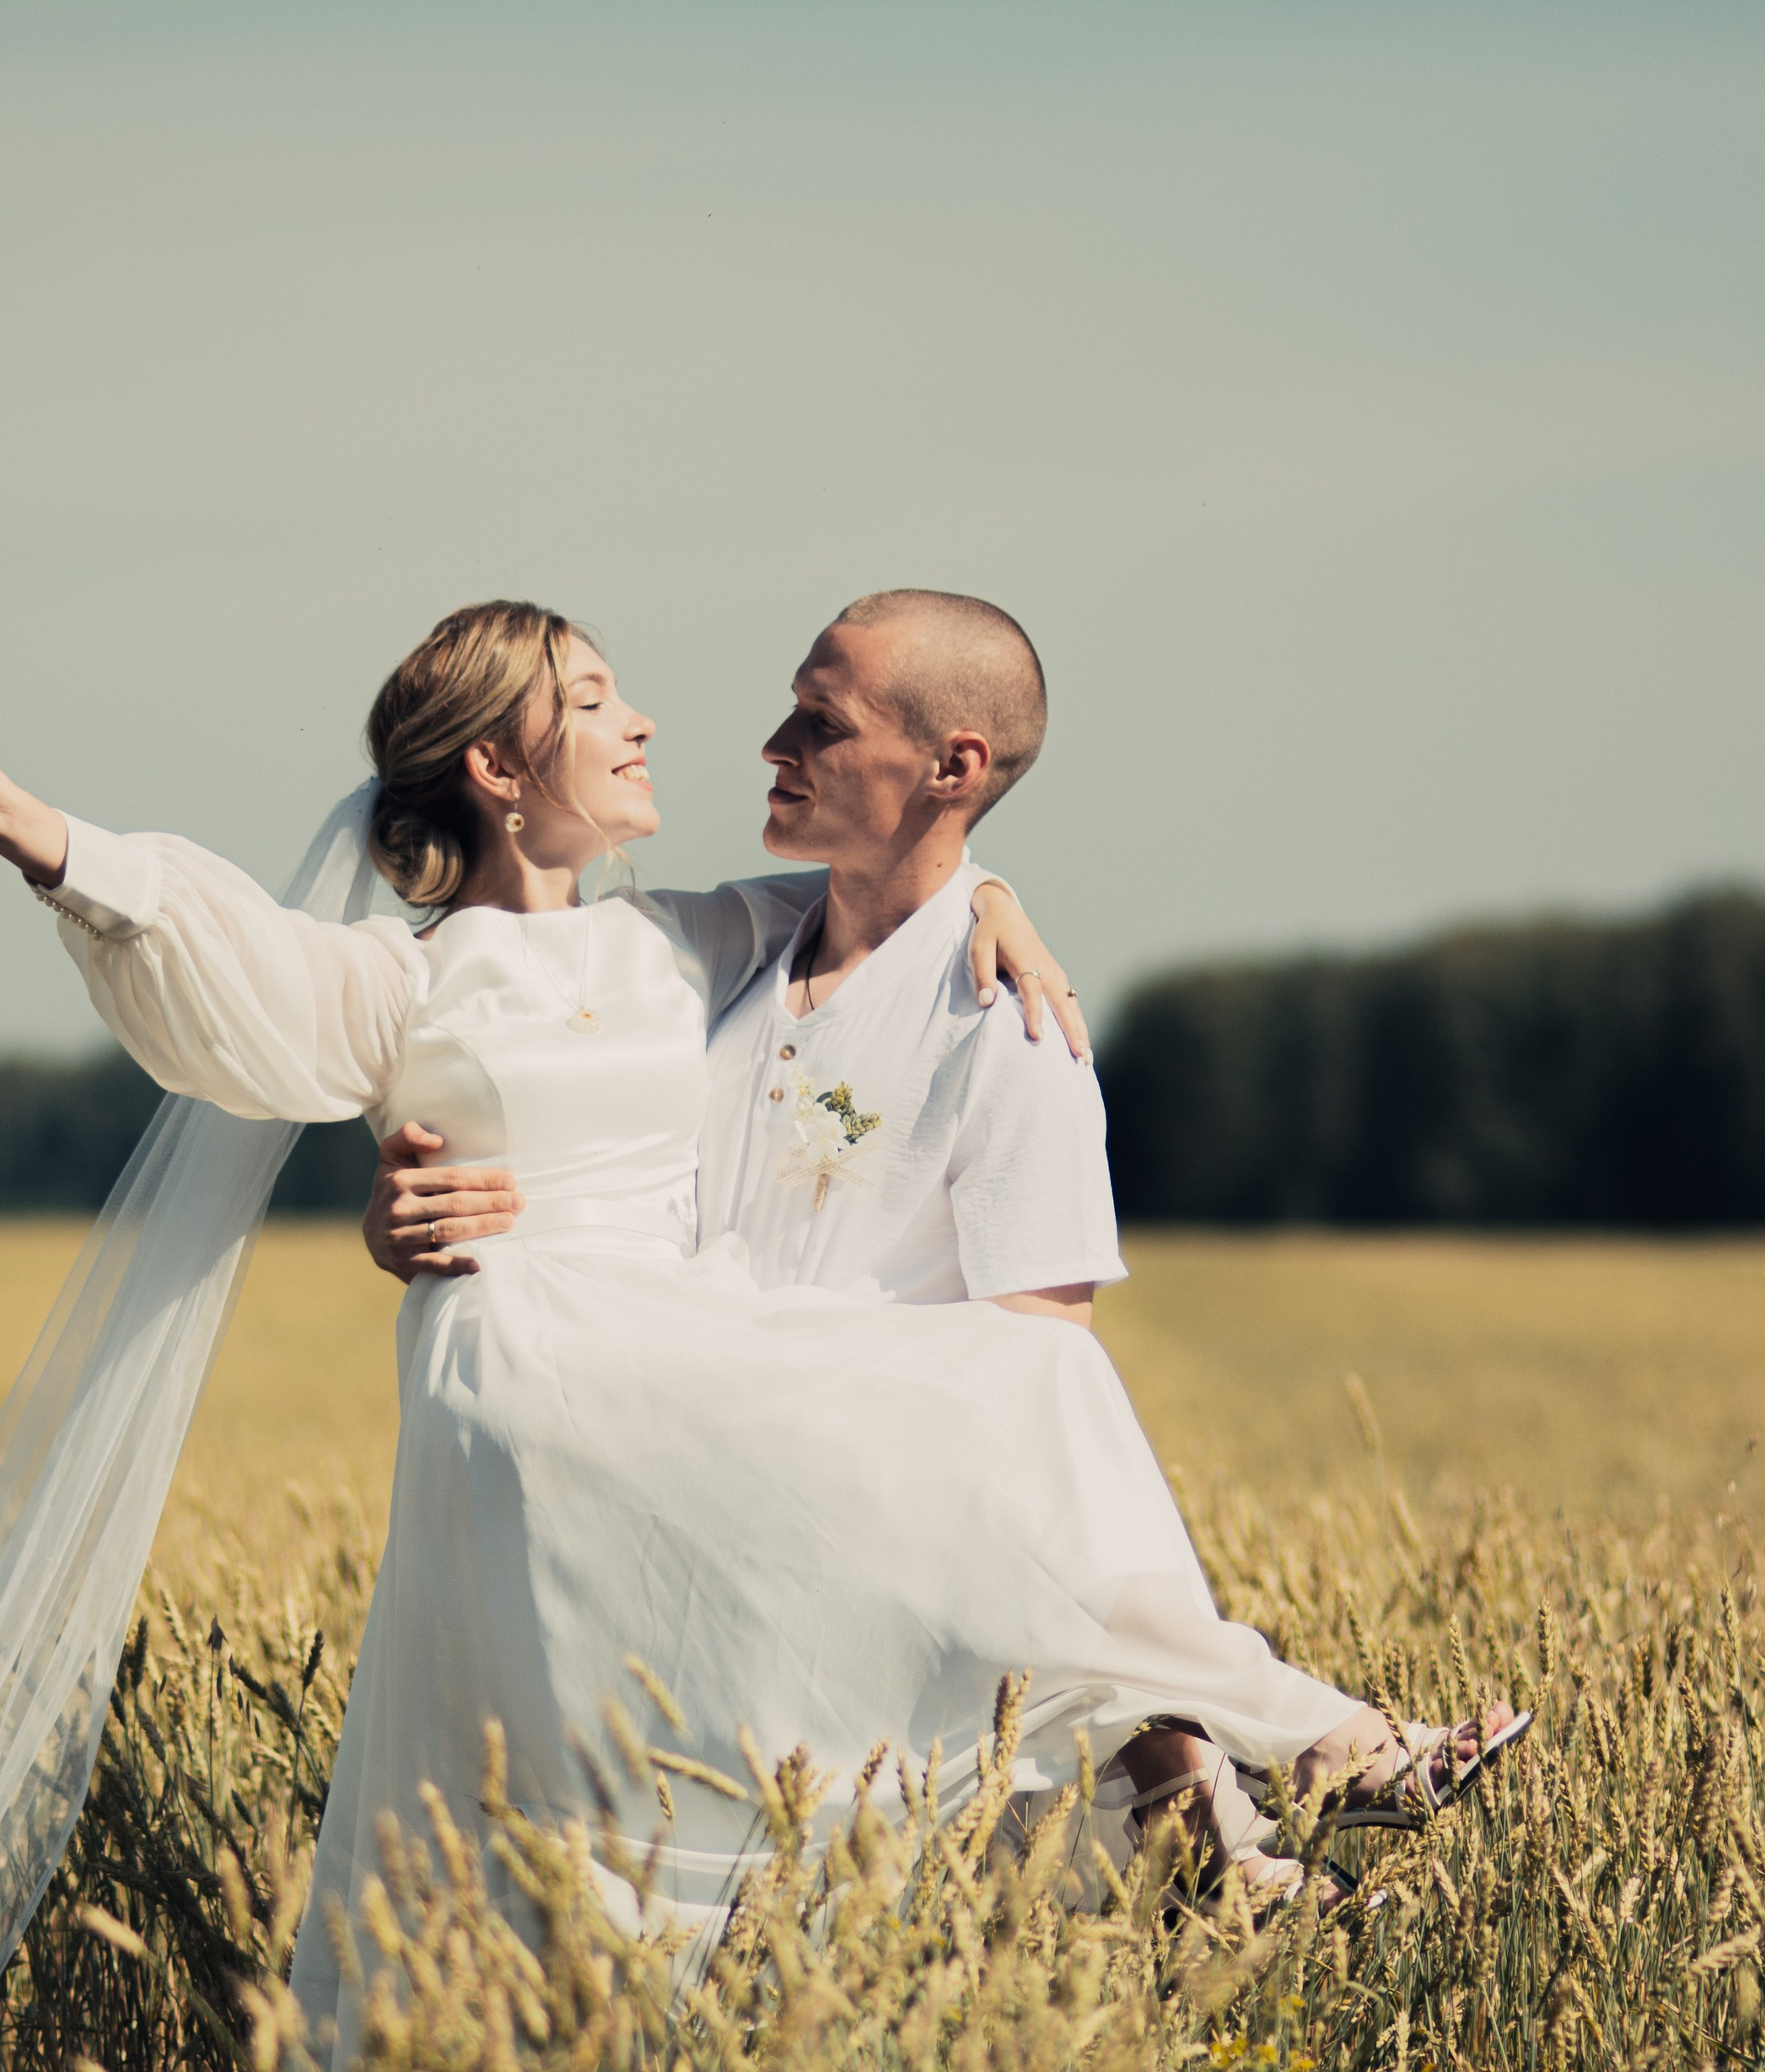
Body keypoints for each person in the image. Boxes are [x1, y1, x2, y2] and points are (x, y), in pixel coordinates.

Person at [0, 598, 1520, 2072]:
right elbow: (234, 957)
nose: (655, 720)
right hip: (532, 1361)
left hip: (680, 1346)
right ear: (497, 771)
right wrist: (37, 833)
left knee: (1015, 1398)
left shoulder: (688, 939)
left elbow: (909, 867)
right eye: (594, 699)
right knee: (1014, 1404)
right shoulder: (410, 976)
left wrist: (993, 883)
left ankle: (1237, 1771)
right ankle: (1285, 1752)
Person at [357, 590, 1529, 1910]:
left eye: (820, 720)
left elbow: (1033, 1429)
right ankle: (1268, 1800)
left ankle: (1241, 1815)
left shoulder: (1010, 1024)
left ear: (952, 768)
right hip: (669, 1545)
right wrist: (412, 1206)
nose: (770, 744)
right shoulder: (714, 969)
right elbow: (561, 1117)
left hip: (858, 1586)